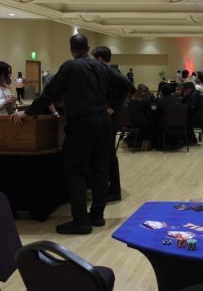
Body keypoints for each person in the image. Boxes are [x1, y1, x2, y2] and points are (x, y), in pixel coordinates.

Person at [11, 34, 131, 235]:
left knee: (75, 170)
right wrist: (113, 106)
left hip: (83, 122)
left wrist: (28, 112)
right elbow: (126, 84)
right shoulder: (101, 66)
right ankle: (97, 216)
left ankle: (81, 220)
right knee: (101, 168)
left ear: (71, 49)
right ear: (88, 47)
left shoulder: (70, 67)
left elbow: (49, 93)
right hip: (103, 121)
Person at [92, 45, 125, 203]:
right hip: (107, 118)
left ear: (99, 59)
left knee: (110, 155)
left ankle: (114, 190)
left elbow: (127, 87)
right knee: (107, 155)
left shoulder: (112, 73)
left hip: (110, 119)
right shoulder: (105, 72)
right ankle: (109, 188)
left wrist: (113, 107)